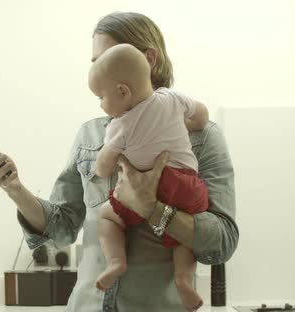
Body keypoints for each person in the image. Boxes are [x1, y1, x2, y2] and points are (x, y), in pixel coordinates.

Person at [0, 12, 238, 312]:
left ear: (148, 59)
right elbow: (62, 228)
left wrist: (152, 209)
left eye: (104, 60)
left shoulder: (202, 137)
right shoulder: (90, 133)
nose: (96, 72)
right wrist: (15, 189)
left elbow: (222, 241)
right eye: (93, 63)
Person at [88, 43, 209, 311]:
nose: (100, 104)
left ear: (122, 91)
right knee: (184, 235)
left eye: (100, 97)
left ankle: (116, 261)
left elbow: (103, 168)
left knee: (107, 215)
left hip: (147, 188)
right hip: (187, 182)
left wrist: (107, 157)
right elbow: (201, 116)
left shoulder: (121, 125)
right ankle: (183, 279)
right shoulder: (172, 99)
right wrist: (185, 127)